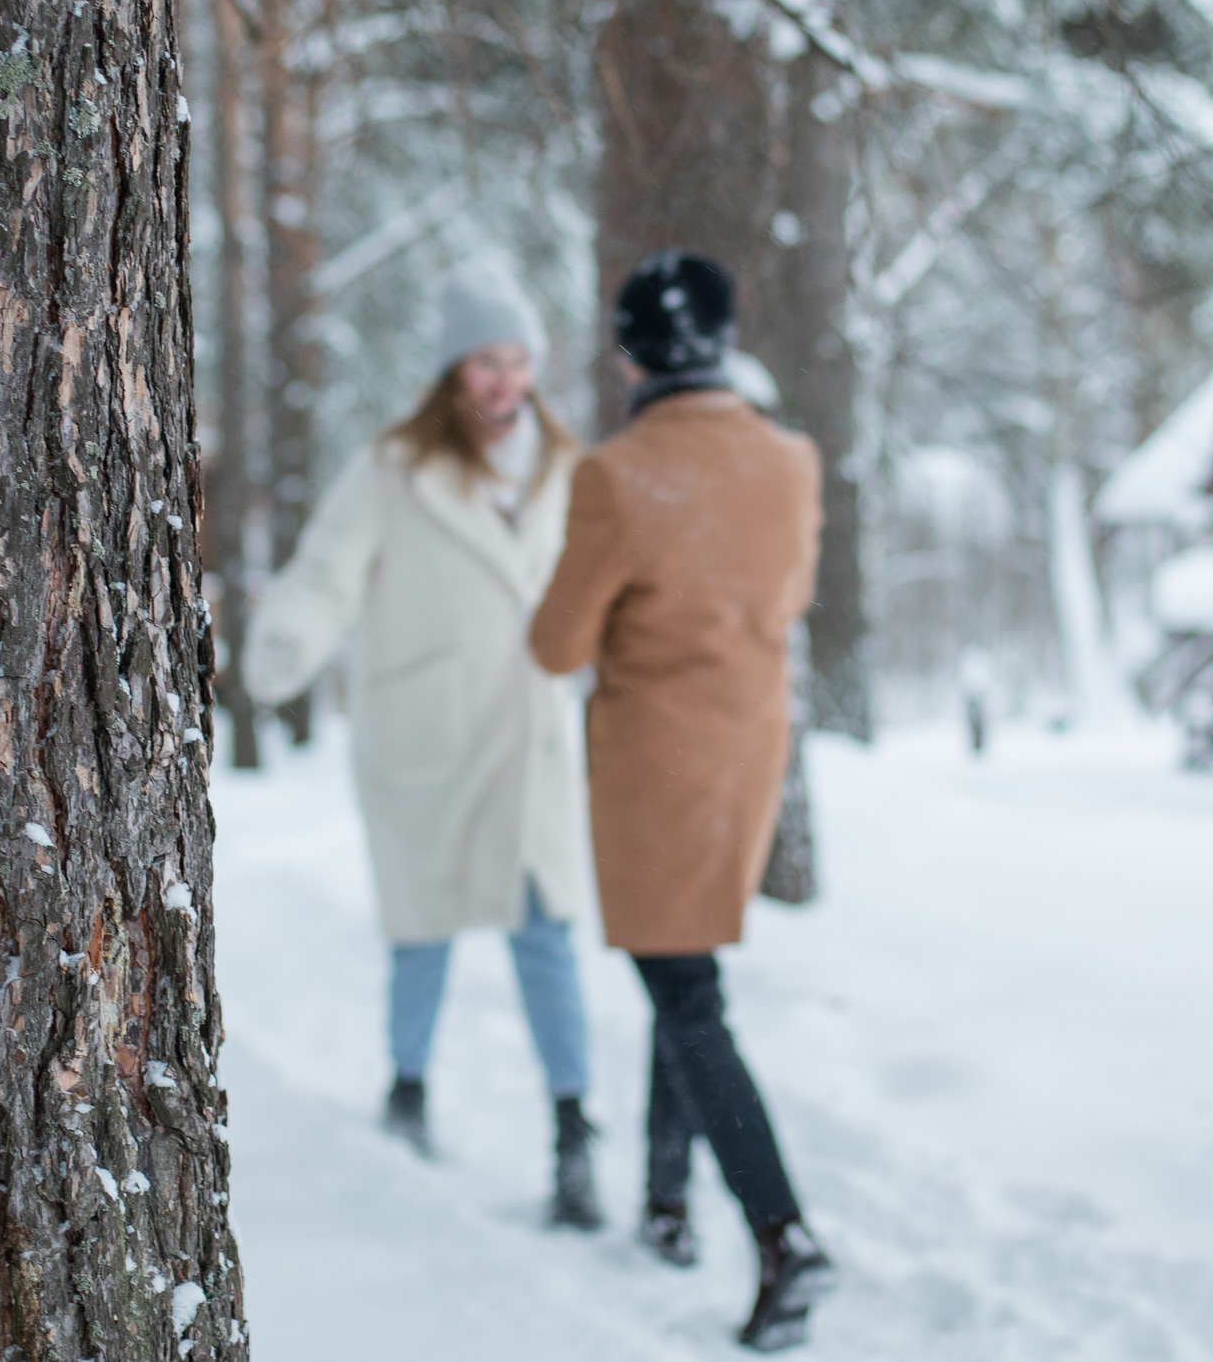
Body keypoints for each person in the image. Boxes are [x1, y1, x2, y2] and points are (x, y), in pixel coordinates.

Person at [246, 268, 602, 1230]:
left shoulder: (567, 467)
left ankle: (574, 1134)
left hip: (530, 737)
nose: (506, 380)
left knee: (545, 932)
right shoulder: (394, 468)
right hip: (427, 733)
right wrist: (288, 640)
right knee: (423, 928)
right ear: (452, 369)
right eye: (487, 360)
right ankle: (407, 1093)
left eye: (519, 360)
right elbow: (327, 569)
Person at [529, 251, 836, 1351]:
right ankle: (666, 1204)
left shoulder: (618, 476)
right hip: (747, 759)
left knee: (688, 997)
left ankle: (783, 1234)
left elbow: (556, 643)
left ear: (630, 354)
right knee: (687, 967)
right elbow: (789, 593)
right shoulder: (789, 462)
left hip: (656, 769)